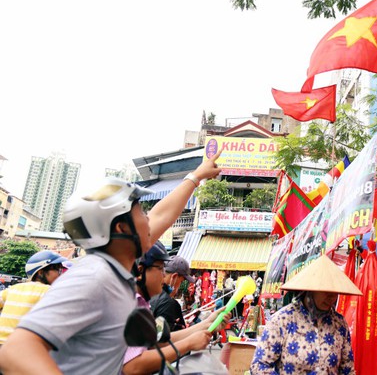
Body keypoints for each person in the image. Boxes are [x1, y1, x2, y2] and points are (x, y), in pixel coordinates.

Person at [0, 153, 222, 375]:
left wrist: (197, 176)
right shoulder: (94, 277)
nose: (148, 219)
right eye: (141, 213)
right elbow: (16, 351)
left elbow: (160, 216)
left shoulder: (114, 272)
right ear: (121, 229)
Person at [123, 242, 229, 375]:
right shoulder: (128, 305)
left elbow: (157, 341)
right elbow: (133, 367)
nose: (163, 275)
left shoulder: (142, 303)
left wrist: (208, 324)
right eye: (160, 268)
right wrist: (188, 344)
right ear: (140, 271)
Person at [250, 254, 362, 374]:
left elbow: (348, 370)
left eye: (335, 292)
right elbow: (259, 367)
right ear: (310, 290)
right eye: (326, 291)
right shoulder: (282, 320)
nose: (331, 298)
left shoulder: (339, 324)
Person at [0, 250, 69, 345]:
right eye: (57, 269)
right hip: (21, 347)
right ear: (40, 272)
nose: (60, 274)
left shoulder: (13, 289)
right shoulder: (49, 291)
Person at [150, 255, 195, 332]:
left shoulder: (148, 294)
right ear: (174, 277)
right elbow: (164, 340)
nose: (179, 285)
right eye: (181, 282)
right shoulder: (168, 303)